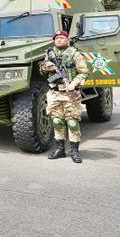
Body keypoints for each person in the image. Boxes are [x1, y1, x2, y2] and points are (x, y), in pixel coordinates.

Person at [40, 30, 89, 163]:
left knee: (72, 122)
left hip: (70, 93)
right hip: (54, 94)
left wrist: (73, 84)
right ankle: (60, 150)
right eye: (57, 38)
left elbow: (84, 73)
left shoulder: (75, 53)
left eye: (62, 37)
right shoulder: (50, 53)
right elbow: (42, 69)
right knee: (57, 121)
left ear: (67, 39)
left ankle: (74, 151)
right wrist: (47, 67)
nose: (59, 40)